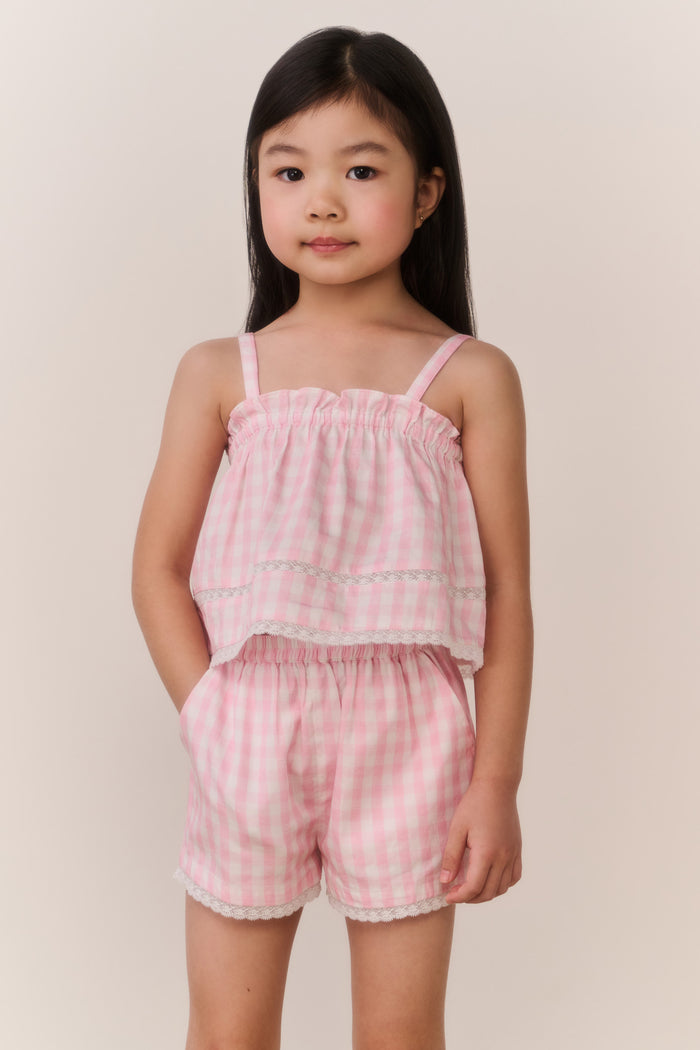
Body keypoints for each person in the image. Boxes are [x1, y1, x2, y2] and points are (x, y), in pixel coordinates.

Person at [132, 25, 533, 1050]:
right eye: (289, 170)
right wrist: (209, 712)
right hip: (249, 720)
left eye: (360, 170)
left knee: (400, 1034)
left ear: (428, 192)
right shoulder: (219, 372)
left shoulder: (470, 376)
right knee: (227, 1032)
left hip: (413, 736)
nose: (322, 201)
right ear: (257, 186)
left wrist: (495, 783)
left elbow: (505, 595)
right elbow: (158, 569)